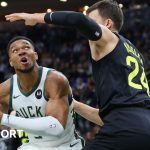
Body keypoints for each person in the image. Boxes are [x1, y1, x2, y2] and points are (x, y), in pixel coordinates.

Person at [5, 0, 150, 149]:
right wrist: (72, 103)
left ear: (107, 24)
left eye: (92, 21)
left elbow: (79, 20)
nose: (86, 33)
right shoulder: (131, 51)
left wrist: (35, 17)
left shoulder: (108, 38)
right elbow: (107, 118)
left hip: (124, 128)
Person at [0, 36, 84, 150]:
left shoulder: (55, 80)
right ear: (11, 62)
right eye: (15, 50)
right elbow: (3, 128)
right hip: (32, 146)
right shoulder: (4, 90)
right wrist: (6, 125)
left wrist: (7, 119)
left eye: (26, 47)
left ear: (35, 55)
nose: (21, 51)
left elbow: (56, 128)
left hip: (64, 146)